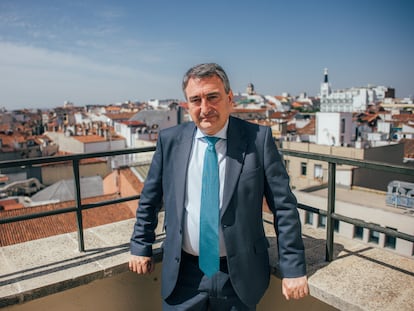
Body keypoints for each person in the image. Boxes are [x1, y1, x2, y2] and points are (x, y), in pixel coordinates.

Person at [129, 63, 309, 310]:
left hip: (239, 277)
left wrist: (293, 268)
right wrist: (141, 243)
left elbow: (284, 207)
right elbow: (150, 197)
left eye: (212, 97)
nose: (205, 109)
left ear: (230, 98)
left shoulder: (258, 140)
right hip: (183, 276)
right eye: (195, 100)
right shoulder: (170, 141)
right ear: (187, 105)